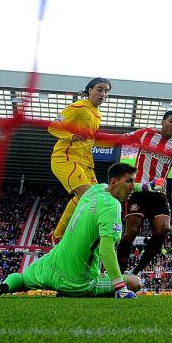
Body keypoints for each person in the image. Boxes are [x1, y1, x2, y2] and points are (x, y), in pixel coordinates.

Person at [0, 163, 153, 298]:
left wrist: (147, 186)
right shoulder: (112, 207)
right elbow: (106, 250)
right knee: (135, 282)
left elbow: (126, 186)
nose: (132, 186)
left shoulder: (95, 189)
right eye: (129, 181)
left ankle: (5, 285)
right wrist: (120, 288)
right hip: (76, 281)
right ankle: (84, 288)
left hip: (50, 264)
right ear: (115, 182)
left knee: (23, 279)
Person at [115, 110, 172, 274]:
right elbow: (120, 139)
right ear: (163, 121)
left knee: (163, 229)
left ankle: (136, 272)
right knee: (131, 232)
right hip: (139, 190)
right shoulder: (146, 134)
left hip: (159, 194)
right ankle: (119, 273)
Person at [47, 77, 111, 245]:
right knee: (89, 195)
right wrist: (73, 136)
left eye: (106, 91)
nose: (103, 93)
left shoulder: (97, 114)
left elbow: (88, 141)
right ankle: (58, 235)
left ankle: (66, 235)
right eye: (99, 89)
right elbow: (53, 126)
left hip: (85, 162)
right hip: (65, 158)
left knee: (98, 197)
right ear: (90, 90)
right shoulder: (78, 107)